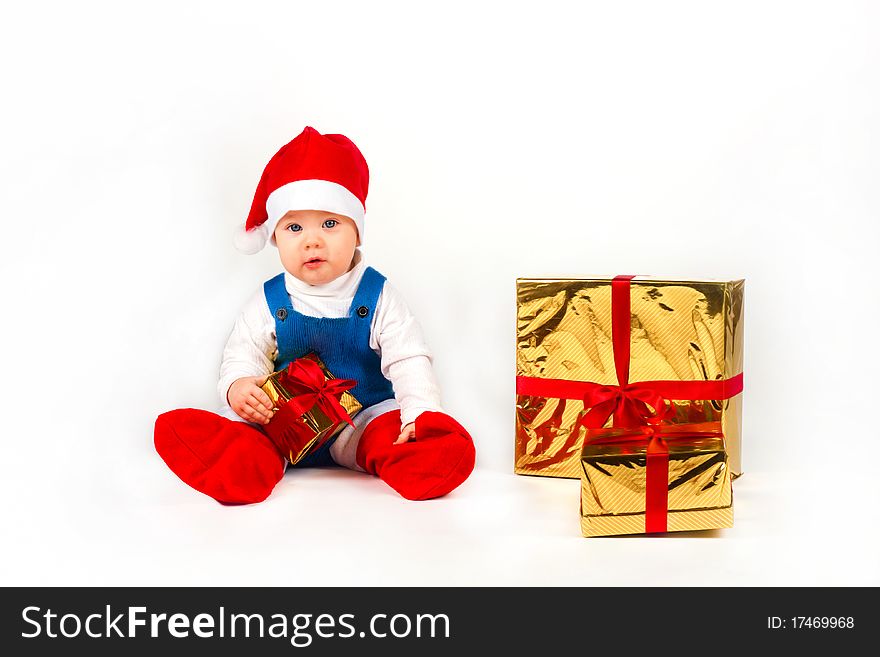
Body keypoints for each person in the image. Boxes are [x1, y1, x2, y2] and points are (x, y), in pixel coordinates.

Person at [154, 126, 475, 504]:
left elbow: (408, 358)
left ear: (357, 232)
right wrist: (239, 387)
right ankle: (238, 466)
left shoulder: (378, 295)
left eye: (329, 223)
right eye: (294, 227)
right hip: (285, 424)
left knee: (390, 432)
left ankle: (426, 459)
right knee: (250, 430)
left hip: (361, 421)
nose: (312, 240)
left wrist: (420, 416)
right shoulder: (270, 300)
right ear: (275, 237)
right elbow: (243, 353)